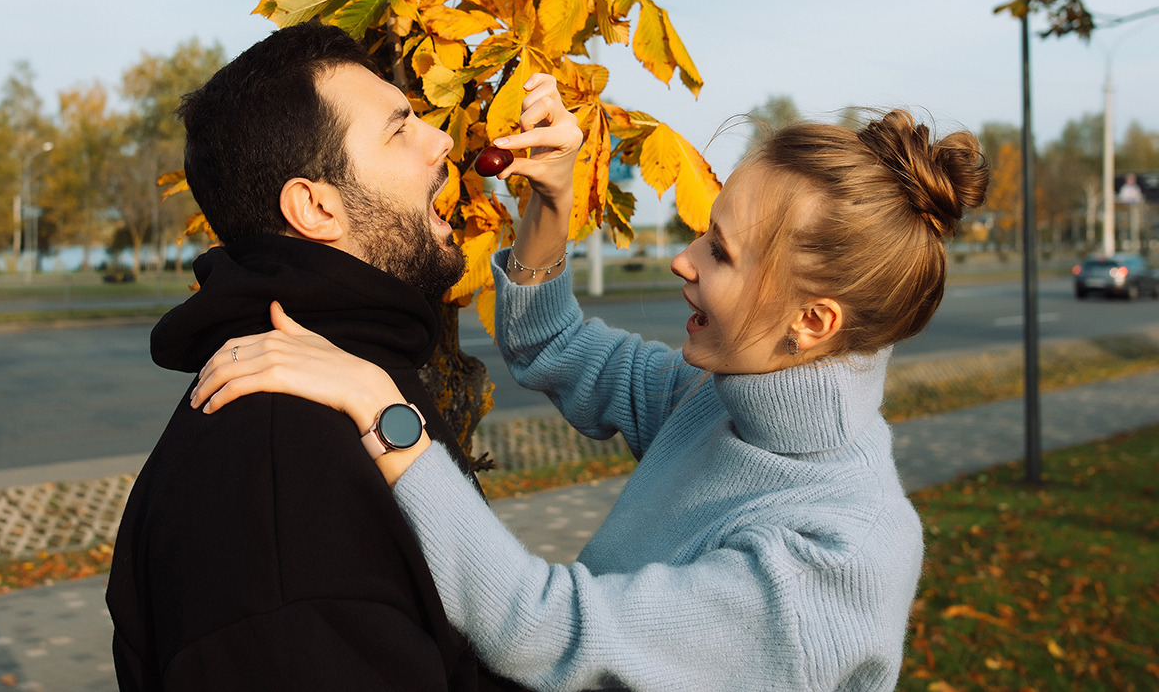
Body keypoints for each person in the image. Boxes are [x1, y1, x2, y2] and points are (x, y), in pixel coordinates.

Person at [191, 83, 989, 690]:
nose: (683, 259)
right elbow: (554, 343)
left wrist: (384, 411)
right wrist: (551, 199)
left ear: (811, 322)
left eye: (721, 252)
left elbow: (542, 627)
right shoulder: (718, 402)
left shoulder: (841, 551)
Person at [106, 21, 529, 691]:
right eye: (399, 129)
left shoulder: (352, 383)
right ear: (315, 206)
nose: (443, 139)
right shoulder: (281, 470)